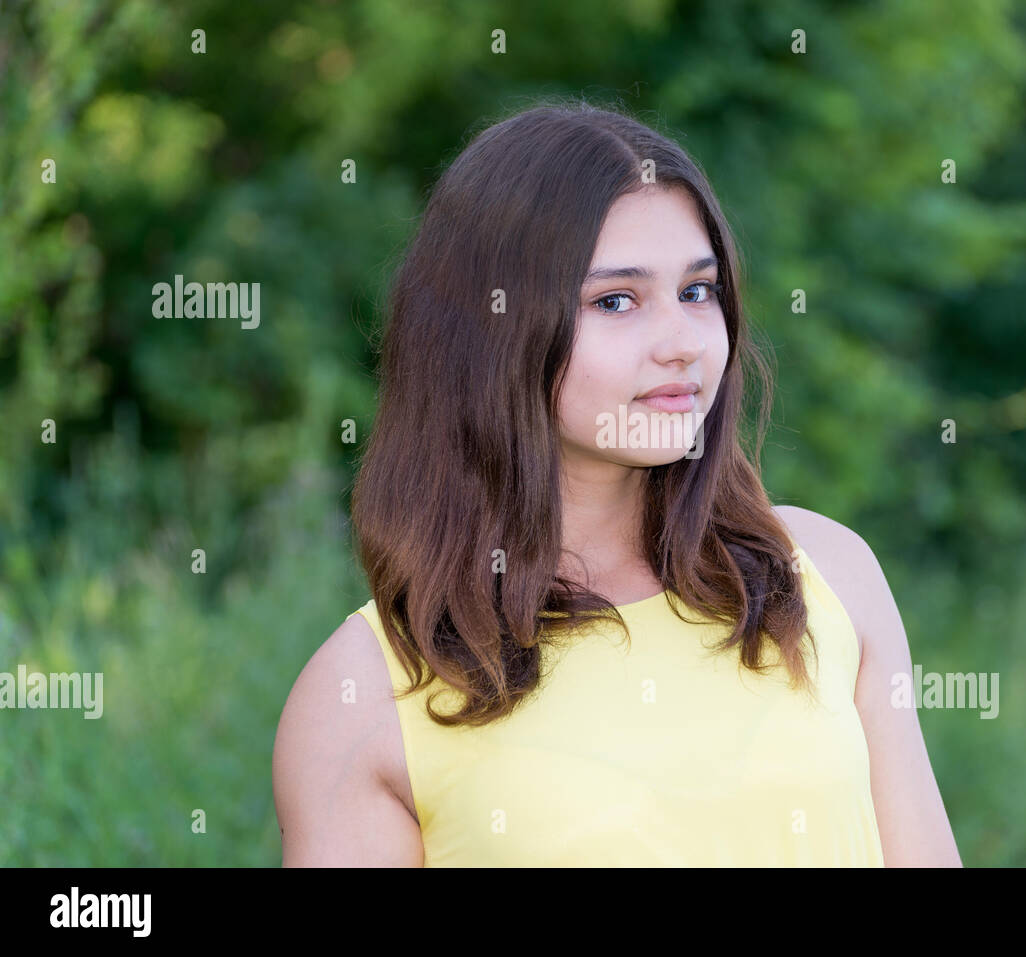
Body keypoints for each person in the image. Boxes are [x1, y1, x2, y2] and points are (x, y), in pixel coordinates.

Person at [272, 99, 961, 867]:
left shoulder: (824, 574)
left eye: (698, 290)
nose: (682, 343)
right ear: (492, 334)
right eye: (616, 300)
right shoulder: (362, 694)